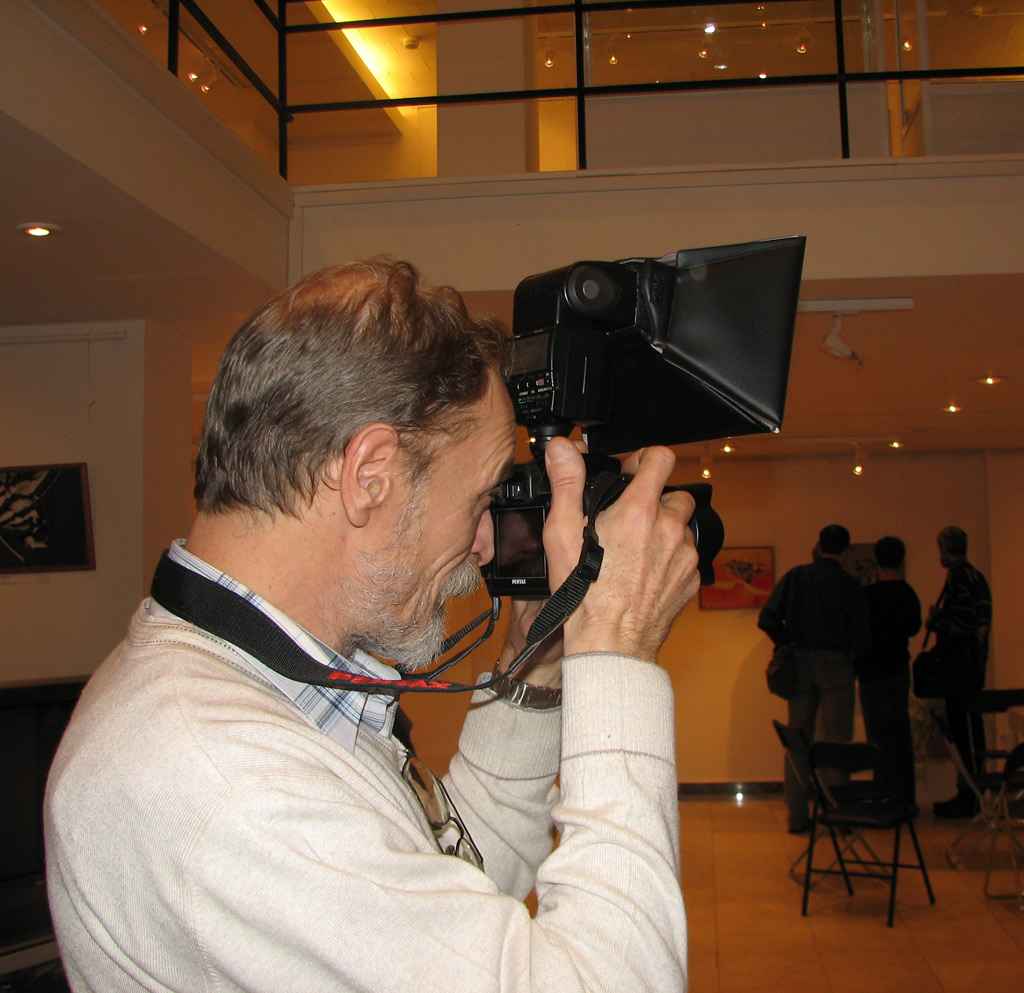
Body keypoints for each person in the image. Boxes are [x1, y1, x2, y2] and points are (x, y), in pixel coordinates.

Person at [44, 258, 700, 992]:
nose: (486, 544)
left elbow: (436, 898)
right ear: (370, 475)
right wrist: (615, 651)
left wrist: (532, 668)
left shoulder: (250, 682)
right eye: (479, 498)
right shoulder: (220, 778)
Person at [758, 524, 871, 833]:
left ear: (819, 547)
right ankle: (839, 816)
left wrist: (785, 643)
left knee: (797, 740)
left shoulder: (796, 577)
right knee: (836, 742)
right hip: (836, 664)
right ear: (845, 552)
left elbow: (767, 618)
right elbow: (863, 637)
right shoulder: (850, 585)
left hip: (799, 664)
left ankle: (797, 817)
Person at [928, 525, 992, 819]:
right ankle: (976, 790)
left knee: (961, 733)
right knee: (972, 731)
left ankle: (968, 794)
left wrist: (938, 621)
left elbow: (962, 622)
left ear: (945, 548)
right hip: (974, 669)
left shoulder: (958, 576)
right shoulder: (976, 576)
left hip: (959, 670)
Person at [858, 536, 921, 809]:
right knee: (901, 734)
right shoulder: (907, 593)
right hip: (898, 667)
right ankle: (906, 797)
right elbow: (913, 628)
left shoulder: (869, 595)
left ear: (877, 560)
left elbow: (859, 631)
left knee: (878, 738)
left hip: (873, 671)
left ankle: (883, 795)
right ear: (901, 559)